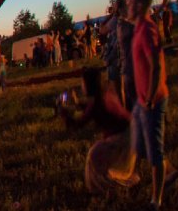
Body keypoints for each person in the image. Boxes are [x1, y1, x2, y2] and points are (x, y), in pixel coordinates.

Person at [58, 67, 139, 195]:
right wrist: (78, 103)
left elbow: (77, 125)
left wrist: (63, 114)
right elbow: (93, 108)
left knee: (94, 156)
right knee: (99, 154)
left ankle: (104, 189)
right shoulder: (104, 94)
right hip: (131, 133)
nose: (82, 86)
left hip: (123, 138)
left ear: (88, 85)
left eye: (83, 83)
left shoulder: (96, 104)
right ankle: (107, 187)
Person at [128, 0, 171, 211]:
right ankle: (136, 174)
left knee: (155, 150)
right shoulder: (138, 29)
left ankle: (156, 201)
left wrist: (151, 97)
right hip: (142, 99)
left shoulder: (146, 30)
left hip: (152, 100)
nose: (127, 6)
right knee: (137, 142)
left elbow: (155, 65)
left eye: (131, 2)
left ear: (140, 5)